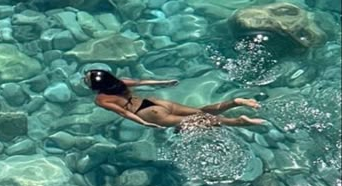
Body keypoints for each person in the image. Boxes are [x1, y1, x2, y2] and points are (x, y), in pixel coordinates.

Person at [83, 69, 265, 130]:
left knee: (201, 121)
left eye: (87, 79)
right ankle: (234, 102)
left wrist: (144, 123)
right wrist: (165, 82)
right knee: (201, 111)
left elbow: (123, 112)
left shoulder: (101, 99)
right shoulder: (120, 81)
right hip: (157, 103)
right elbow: (143, 82)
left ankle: (238, 121)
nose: (85, 79)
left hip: (148, 113)